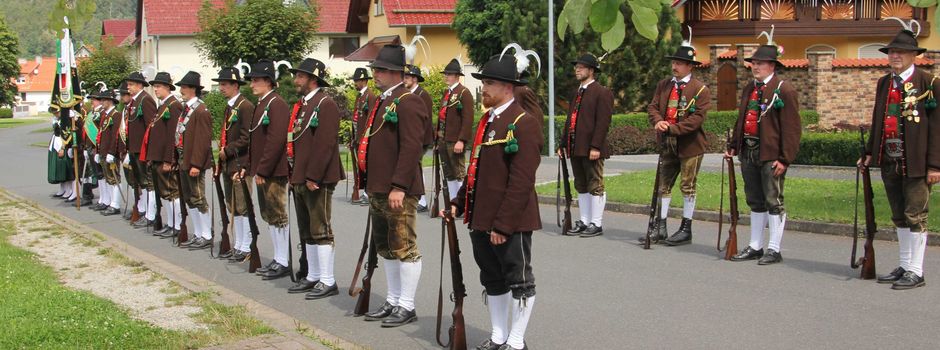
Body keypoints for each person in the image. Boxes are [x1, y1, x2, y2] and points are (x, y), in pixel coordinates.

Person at [448, 44, 543, 350]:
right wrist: (458, 201)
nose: (483, 88)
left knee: (519, 280)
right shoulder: (487, 120)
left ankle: (516, 342)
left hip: (508, 221)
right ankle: (499, 335)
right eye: (484, 82)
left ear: (507, 87)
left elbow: (521, 181)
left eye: (488, 83)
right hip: (481, 216)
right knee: (493, 279)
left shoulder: (523, 123)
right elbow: (475, 168)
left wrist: (503, 225)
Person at [862, 19, 939, 290]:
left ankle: (916, 271)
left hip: (917, 161)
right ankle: (905, 265)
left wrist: (935, 165)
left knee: (916, 214)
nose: (894, 56)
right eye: (891, 52)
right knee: (899, 215)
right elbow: (878, 120)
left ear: (913, 56)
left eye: (900, 52)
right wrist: (871, 152)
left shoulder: (929, 83)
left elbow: (938, 127)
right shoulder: (884, 83)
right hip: (890, 158)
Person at [357, 44, 428, 327]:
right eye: (376, 69)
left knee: (404, 246)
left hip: (398, 188)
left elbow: (412, 146)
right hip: (379, 185)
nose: (375, 73)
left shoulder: (408, 101)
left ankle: (407, 305)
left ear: (395, 72)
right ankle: (393, 299)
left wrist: (399, 185)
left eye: (380, 69)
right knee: (385, 246)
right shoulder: (382, 100)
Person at [727, 27, 801, 265]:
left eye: (760, 63)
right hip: (749, 151)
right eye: (754, 63)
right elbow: (743, 119)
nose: (755, 67)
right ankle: (755, 245)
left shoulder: (783, 89)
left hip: (771, 155)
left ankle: (774, 248)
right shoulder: (750, 88)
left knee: (773, 200)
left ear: (772, 65)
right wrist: (733, 145)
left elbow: (791, 128)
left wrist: (785, 158)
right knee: (754, 200)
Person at [283, 58, 344, 299]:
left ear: (313, 79)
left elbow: (325, 144)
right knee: (307, 229)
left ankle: (328, 280)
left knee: (321, 229)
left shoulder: (324, 104)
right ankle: (313, 276)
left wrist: (312, 176)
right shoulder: (304, 104)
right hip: (301, 175)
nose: (295, 80)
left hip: (316, 177)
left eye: (300, 76)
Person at [644, 29, 711, 246]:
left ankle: (686, 227)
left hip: (690, 145)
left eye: (680, 63)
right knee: (663, 185)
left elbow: (696, 120)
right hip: (667, 143)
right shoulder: (664, 85)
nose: (675, 66)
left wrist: (671, 128)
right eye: (674, 62)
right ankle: (661, 225)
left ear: (690, 66)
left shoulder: (700, 90)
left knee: (687, 186)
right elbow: (653, 106)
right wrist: (658, 121)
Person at [246, 60, 292, 280]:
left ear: (268, 82)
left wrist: (262, 169)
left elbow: (275, 140)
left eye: (256, 80)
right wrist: (251, 168)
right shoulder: (263, 102)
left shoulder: (276, 104)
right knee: (269, 215)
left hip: (274, 170)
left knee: (278, 215)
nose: (252, 84)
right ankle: (277, 258)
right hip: (264, 170)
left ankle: (283, 260)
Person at [559, 53, 613, 238]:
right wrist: (563, 143)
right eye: (576, 67)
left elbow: (603, 122)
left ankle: (596, 223)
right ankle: (584, 219)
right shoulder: (577, 92)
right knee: (581, 184)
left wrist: (596, 146)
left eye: (581, 67)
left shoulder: (601, 92)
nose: (577, 69)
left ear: (591, 71)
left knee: (595, 184)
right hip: (576, 146)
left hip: (591, 147)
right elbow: (570, 120)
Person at [213, 66, 256, 261]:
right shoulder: (230, 107)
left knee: (243, 206)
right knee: (233, 206)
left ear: (235, 85)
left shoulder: (245, 106)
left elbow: (247, 137)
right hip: (229, 163)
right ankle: (238, 244)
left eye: (224, 84)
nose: (221, 88)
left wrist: (228, 150)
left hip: (240, 162)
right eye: (220, 84)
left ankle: (247, 245)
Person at [175, 71, 214, 250]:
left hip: (194, 162)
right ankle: (198, 233)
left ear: (193, 89)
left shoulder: (201, 110)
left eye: (184, 87)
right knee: (189, 198)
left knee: (199, 198)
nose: (181, 90)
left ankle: (206, 234)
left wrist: (196, 164)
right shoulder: (187, 109)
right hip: (184, 159)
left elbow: (202, 140)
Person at [142, 71, 184, 238]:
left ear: (167, 87)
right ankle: (170, 223)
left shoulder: (173, 106)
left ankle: (177, 225)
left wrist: (169, 159)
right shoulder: (163, 105)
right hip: (158, 156)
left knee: (172, 192)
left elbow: (172, 135)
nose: (156, 89)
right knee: (164, 193)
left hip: (166, 158)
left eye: (158, 86)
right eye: (155, 86)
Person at [126, 72, 160, 229]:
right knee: (141, 182)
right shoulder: (134, 101)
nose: (128, 87)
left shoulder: (146, 100)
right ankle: (144, 210)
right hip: (135, 148)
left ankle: (151, 214)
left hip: (143, 149)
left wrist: (150, 150)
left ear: (139, 85)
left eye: (131, 84)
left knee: (148, 183)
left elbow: (150, 127)